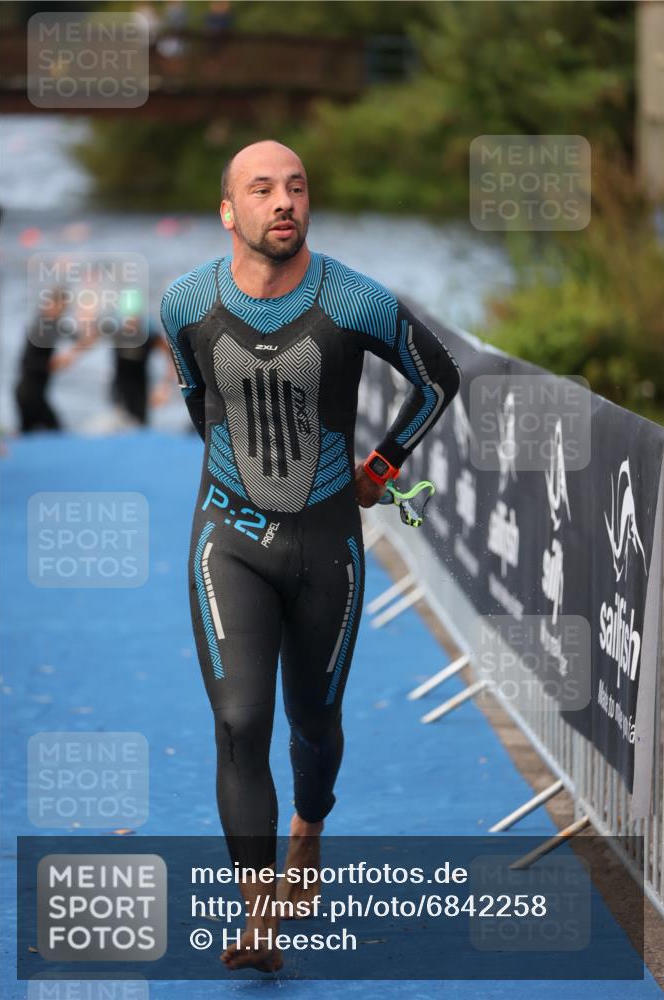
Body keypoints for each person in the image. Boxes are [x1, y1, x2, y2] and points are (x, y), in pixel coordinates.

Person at [160, 140, 461, 972]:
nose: (283, 201)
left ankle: (309, 828)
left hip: (328, 542)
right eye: (262, 189)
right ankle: (258, 918)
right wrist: (244, 485)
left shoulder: (354, 300)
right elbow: (197, 398)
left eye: (295, 187)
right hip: (227, 540)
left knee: (312, 723)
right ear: (230, 211)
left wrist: (380, 468)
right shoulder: (185, 302)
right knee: (238, 722)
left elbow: (437, 378)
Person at [14, 287, 68, 432]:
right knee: (54, 432)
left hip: (37, 393)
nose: (63, 312)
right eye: (62, 307)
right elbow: (26, 362)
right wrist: (51, 364)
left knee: (39, 433)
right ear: (51, 304)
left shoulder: (53, 325)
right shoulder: (41, 327)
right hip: (29, 393)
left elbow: (76, 336)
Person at [111, 314, 177, 425]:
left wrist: (165, 386)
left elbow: (171, 355)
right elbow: (89, 339)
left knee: (139, 423)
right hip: (119, 387)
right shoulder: (116, 332)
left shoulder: (150, 335)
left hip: (141, 389)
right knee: (120, 421)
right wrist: (73, 354)